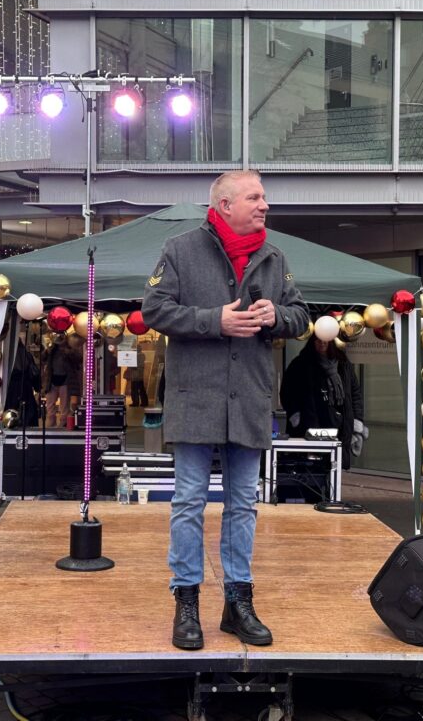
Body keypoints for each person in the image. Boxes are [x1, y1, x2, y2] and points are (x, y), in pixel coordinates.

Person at [142, 169, 309, 651]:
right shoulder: (179, 249)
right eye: (255, 197)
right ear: (224, 203)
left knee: (243, 507)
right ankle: (186, 603)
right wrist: (214, 320)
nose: (264, 205)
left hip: (251, 398)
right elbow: (153, 310)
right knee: (189, 502)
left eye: (264, 197)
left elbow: (301, 315)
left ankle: (238, 604)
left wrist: (279, 317)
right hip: (197, 397)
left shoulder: (274, 257)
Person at [280, 335, 366, 469]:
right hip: (311, 422)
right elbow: (287, 392)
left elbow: (354, 393)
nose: (322, 344)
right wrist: (295, 415)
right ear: (312, 343)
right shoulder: (301, 363)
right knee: (311, 469)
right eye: (318, 341)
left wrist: (357, 421)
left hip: (339, 423)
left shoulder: (343, 364)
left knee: (334, 468)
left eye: (325, 341)